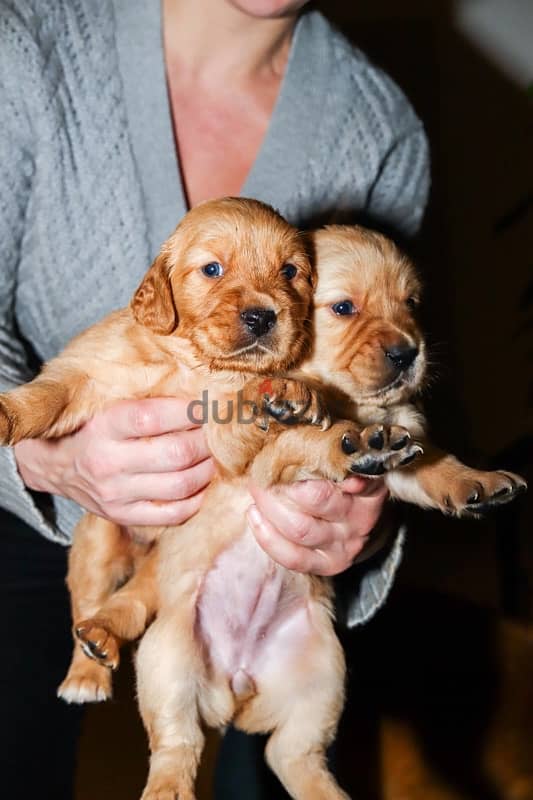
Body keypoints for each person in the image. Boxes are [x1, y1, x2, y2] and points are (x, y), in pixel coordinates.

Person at [0, 0, 430, 797]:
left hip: (259, 530)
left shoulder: (380, 129)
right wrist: (41, 455)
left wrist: (360, 521)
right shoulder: (25, 46)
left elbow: (374, 377)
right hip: (22, 516)